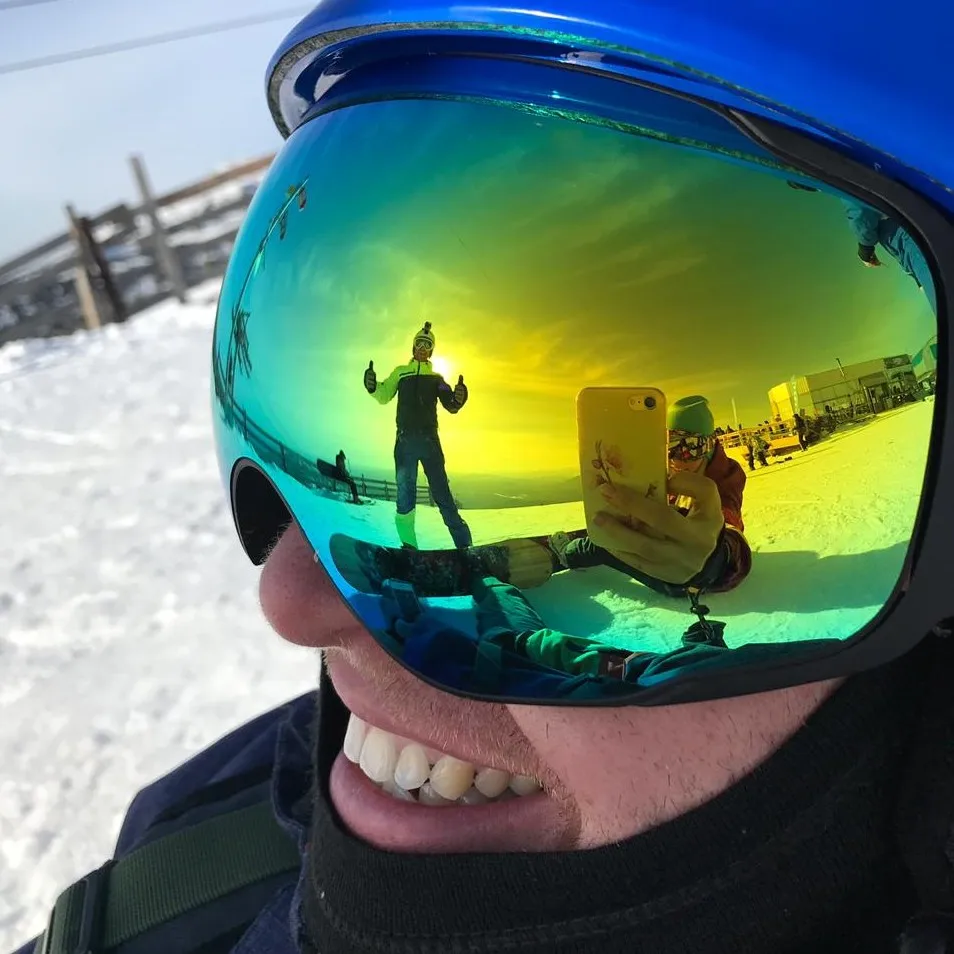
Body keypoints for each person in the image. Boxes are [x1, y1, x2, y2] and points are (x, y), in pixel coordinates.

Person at [14, 6, 954, 954]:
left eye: (675, 377)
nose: (289, 603)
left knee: (490, 550)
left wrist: (712, 565)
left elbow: (482, 418)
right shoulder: (166, 883)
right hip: (424, 466)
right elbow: (390, 391)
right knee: (478, 534)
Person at [550, 395, 752, 596]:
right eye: (669, 446)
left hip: (681, 575)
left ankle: (567, 554)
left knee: (602, 545)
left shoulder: (726, 475)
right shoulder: (666, 472)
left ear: (709, 446)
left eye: (690, 447)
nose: (676, 459)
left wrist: (718, 560)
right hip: (672, 561)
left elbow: (728, 522)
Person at [363, 322, 472, 549]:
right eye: (419, 344)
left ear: (431, 351)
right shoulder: (400, 373)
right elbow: (384, 395)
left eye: (427, 345)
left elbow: (450, 403)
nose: (422, 348)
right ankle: (409, 547)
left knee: (442, 494)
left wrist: (459, 399)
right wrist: (373, 386)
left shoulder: (437, 379)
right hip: (405, 443)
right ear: (413, 347)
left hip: (430, 443)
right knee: (405, 498)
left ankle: (464, 546)